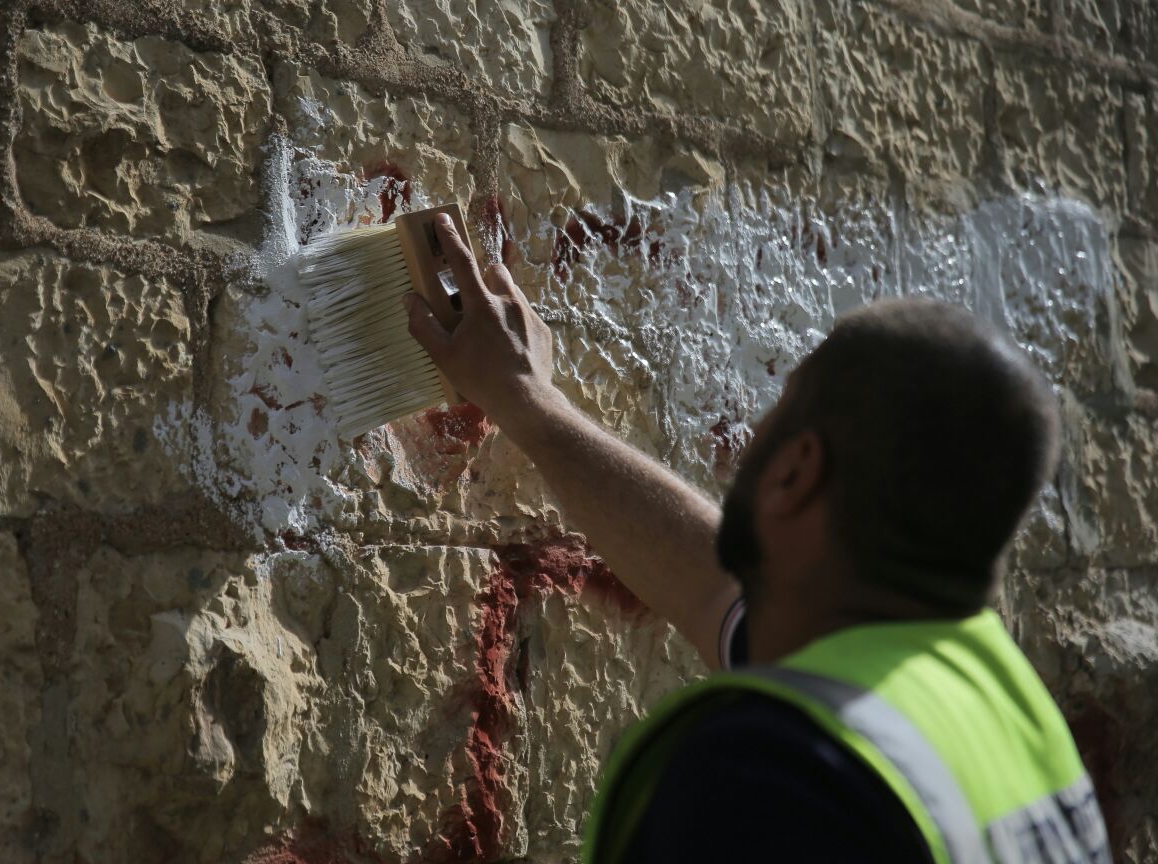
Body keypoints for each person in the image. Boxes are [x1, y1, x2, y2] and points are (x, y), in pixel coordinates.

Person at [402, 213, 1111, 863]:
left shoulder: (767, 776)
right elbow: (714, 587)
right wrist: (532, 405)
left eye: (784, 403)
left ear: (797, 471)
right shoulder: (994, 703)